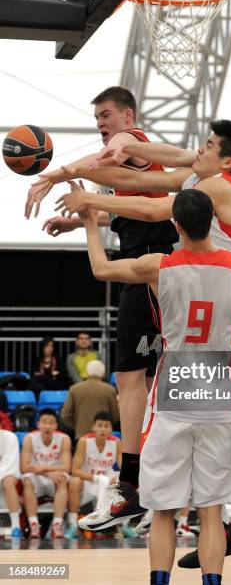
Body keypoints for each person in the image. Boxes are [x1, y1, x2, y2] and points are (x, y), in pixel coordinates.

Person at [55, 120, 231, 572]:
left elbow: (152, 208)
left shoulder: (219, 187)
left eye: (207, 145)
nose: (199, 149)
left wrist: (86, 199)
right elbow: (135, 180)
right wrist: (70, 186)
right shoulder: (197, 178)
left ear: (226, 160)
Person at [77, 188, 231, 584]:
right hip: (220, 391)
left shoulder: (159, 264)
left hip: (174, 391)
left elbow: (101, 269)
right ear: (212, 222)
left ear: (176, 226)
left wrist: (89, 224)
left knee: (164, 509)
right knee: (211, 511)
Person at [26, 86, 179, 523]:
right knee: (147, 384)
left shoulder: (126, 142)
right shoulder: (136, 154)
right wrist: (80, 221)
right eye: (97, 119)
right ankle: (153, 487)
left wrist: (52, 175)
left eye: (106, 115)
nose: (101, 125)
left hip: (149, 266)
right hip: (149, 261)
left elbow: (100, 163)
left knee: (133, 382)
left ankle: (133, 485)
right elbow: (131, 209)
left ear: (127, 115)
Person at [64, 412, 133, 539]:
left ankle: (124, 525)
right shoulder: (84, 441)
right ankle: (73, 525)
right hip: (88, 481)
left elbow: (124, 468)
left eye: (106, 426)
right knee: (74, 481)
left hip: (107, 482)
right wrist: (97, 478)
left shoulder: (116, 442)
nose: (103, 429)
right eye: (100, 425)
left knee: (125, 482)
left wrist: (119, 477)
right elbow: (74, 470)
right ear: (93, 427)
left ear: (111, 429)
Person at [21, 408, 71, 539]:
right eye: (44, 422)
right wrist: (48, 472)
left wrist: (41, 468)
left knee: (63, 479)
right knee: (27, 480)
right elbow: (24, 467)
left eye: (51, 423)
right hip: (38, 477)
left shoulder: (64, 439)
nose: (47, 426)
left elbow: (66, 467)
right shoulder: (29, 438)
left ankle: (57, 524)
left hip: (54, 477)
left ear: (56, 425)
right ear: (38, 424)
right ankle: (33, 524)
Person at [60, 360, 120, 440]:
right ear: (103, 374)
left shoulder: (75, 389)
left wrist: (77, 426)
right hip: (104, 435)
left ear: (87, 372)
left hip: (81, 434)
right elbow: (115, 416)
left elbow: (65, 415)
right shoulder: (110, 390)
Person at [0, 421, 22, 538]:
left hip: (7, 475)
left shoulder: (10, 437)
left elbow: (8, 465)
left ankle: (15, 526)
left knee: (8, 482)